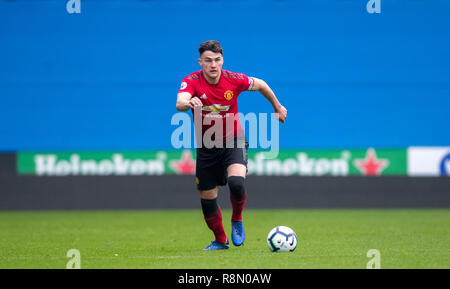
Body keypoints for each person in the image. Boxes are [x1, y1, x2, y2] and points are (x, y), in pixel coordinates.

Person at [176, 40, 287, 250]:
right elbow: (180, 102)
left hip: (233, 140)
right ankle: (220, 240)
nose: (213, 65)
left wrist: (278, 107)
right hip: (206, 148)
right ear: (200, 62)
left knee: (236, 183)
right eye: (208, 61)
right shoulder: (191, 81)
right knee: (208, 201)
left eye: (217, 60)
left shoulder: (234, 80)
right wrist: (188, 102)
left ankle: (237, 219)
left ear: (222, 60)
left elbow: (261, 84)